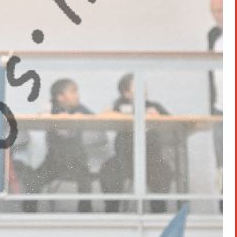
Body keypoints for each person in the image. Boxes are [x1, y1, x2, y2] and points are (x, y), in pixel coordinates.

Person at [18, 78, 97, 212]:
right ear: (60, 97)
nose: (77, 95)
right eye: (73, 92)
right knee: (33, 181)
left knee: (85, 180)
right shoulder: (50, 107)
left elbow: (94, 118)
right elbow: (40, 116)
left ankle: (85, 213)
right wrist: (58, 117)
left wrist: (81, 117)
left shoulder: (79, 108)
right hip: (54, 160)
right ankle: (29, 215)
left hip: (76, 160)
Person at [98, 73, 174, 212]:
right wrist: (119, 114)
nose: (143, 89)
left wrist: (158, 118)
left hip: (151, 159)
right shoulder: (120, 106)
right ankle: (112, 210)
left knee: (164, 171)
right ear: (126, 93)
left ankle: (158, 210)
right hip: (124, 159)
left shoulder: (154, 106)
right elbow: (105, 115)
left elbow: (172, 125)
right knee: (108, 169)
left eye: (143, 85)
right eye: (137, 86)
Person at [207, 0, 223, 199]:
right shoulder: (213, 35)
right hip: (221, 108)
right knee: (222, 161)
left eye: (222, 10)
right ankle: (224, 205)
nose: (218, 15)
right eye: (214, 11)